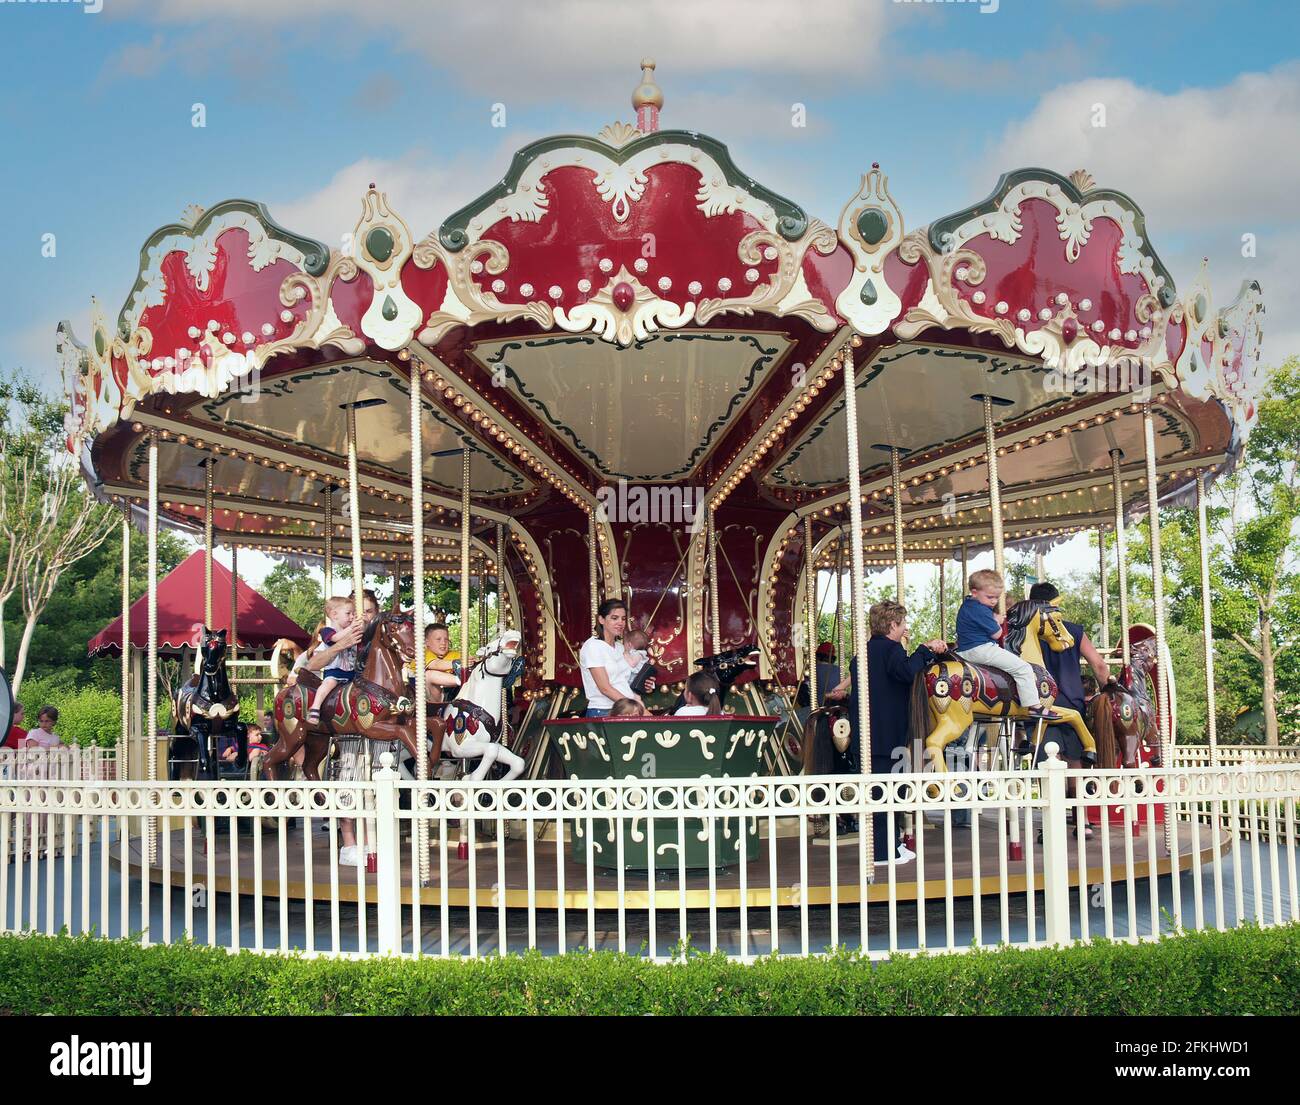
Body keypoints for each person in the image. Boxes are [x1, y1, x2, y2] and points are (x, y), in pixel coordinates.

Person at [832, 601, 946, 862]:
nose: (905, 628)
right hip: (885, 734)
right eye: (903, 623)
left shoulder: (865, 652)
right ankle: (882, 852)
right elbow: (905, 673)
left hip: (870, 734)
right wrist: (924, 650)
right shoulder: (890, 650)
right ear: (893, 625)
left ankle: (891, 845)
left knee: (885, 792)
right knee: (883, 794)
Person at [1029, 581, 1114, 834]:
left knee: (1047, 761)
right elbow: (1098, 665)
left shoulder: (1030, 632)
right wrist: (1106, 688)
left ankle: (1049, 824)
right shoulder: (1074, 631)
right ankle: (1082, 820)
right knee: (1075, 761)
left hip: (1041, 702)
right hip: (1073, 703)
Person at [955, 569, 1059, 721]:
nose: (994, 601)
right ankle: (1034, 706)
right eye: (990, 597)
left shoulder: (967, 606)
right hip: (981, 649)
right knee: (1023, 668)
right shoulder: (981, 610)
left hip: (964, 650)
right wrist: (997, 620)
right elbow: (997, 634)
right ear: (975, 592)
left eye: (996, 598)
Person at [579, 598, 644, 717]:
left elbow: (624, 682)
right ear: (601, 619)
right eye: (614, 618)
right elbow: (605, 688)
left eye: (623, 619)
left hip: (626, 709)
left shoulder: (620, 648)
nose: (620, 622)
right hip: (604, 710)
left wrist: (643, 683)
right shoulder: (593, 646)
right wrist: (634, 707)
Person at [306, 597, 357, 725]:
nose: (352, 617)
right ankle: (315, 708)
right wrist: (353, 628)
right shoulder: (327, 631)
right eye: (348, 613)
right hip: (335, 671)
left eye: (353, 614)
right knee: (328, 684)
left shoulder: (351, 630)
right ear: (334, 615)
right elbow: (336, 638)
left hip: (351, 672)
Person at [423, 623, 463, 704]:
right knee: (429, 675)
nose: (443, 643)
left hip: (453, 694)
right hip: (431, 698)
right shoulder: (424, 654)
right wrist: (456, 663)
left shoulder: (455, 654)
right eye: (438, 639)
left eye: (446, 639)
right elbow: (436, 664)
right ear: (427, 643)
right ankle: (462, 679)